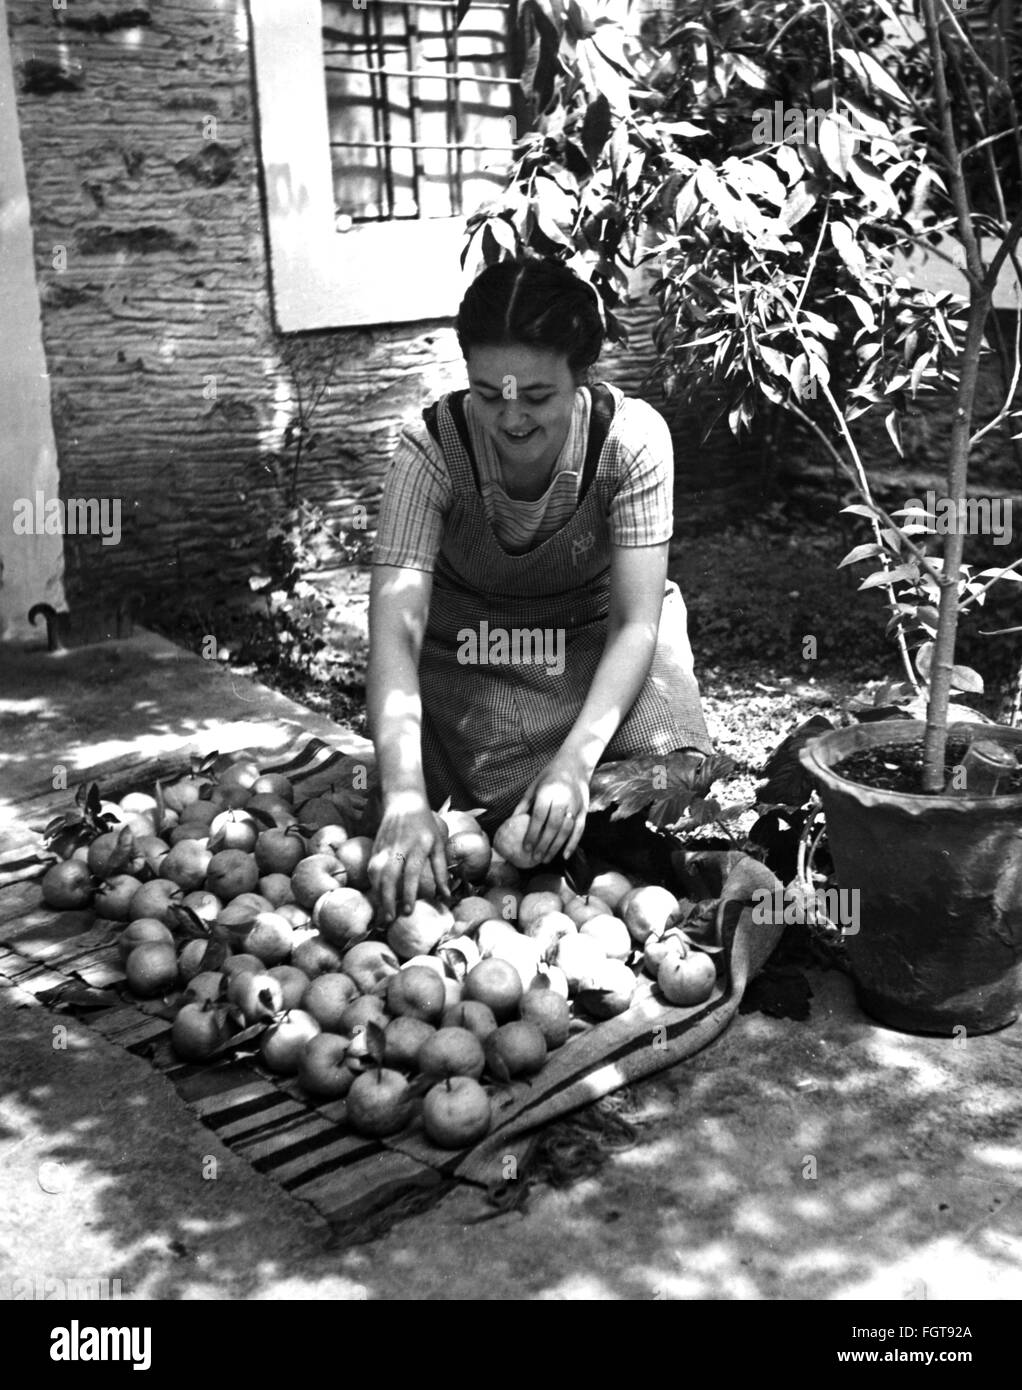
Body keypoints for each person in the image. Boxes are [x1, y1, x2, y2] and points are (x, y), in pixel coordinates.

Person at [367, 257, 711, 920]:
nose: (512, 419)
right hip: (475, 657)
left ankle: (587, 815)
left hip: (597, 649)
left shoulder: (631, 443)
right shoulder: (430, 451)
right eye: (489, 394)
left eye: (538, 396)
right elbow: (396, 630)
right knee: (446, 819)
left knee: (678, 780)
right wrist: (406, 792)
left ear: (582, 378)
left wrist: (578, 762)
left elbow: (637, 624)